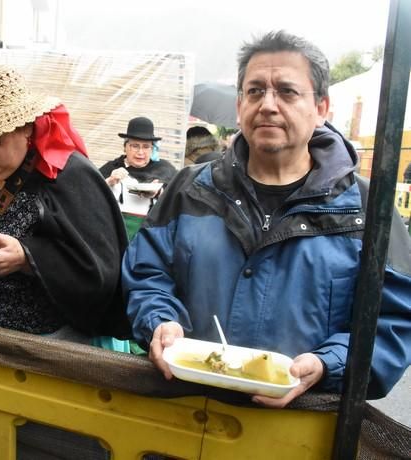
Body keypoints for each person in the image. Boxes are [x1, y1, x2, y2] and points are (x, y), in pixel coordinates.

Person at [123, 30, 411, 408]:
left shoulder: (366, 207)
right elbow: (146, 273)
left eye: (287, 91)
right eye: (255, 91)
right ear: (240, 103)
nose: (268, 105)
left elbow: (394, 321)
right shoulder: (189, 190)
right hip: (183, 413)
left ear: (322, 107)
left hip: (299, 431)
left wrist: (328, 363)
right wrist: (159, 321)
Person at [0, 64, 130, 343]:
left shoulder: (68, 175)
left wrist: (28, 259)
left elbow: (101, 271)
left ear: (26, 129)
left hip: (49, 344)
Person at [99, 117, 177, 240]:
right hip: (114, 236)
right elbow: (90, 195)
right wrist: (109, 181)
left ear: (152, 149)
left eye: (146, 147)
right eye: (135, 146)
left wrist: (159, 193)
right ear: (125, 147)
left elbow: (177, 201)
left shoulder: (165, 170)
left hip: (150, 237)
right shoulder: (111, 168)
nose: (140, 152)